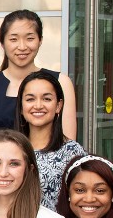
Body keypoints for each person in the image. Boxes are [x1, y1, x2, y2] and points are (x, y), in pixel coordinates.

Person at [0, 10, 78, 140]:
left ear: (40, 40)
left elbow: (69, 144)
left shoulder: (61, 82)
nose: (22, 46)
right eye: (13, 39)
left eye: (30, 38)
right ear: (2, 43)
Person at [16, 70, 86, 210]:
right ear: (21, 107)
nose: (38, 105)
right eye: (30, 99)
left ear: (58, 106)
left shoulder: (72, 152)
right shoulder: (9, 148)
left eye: (46, 99)